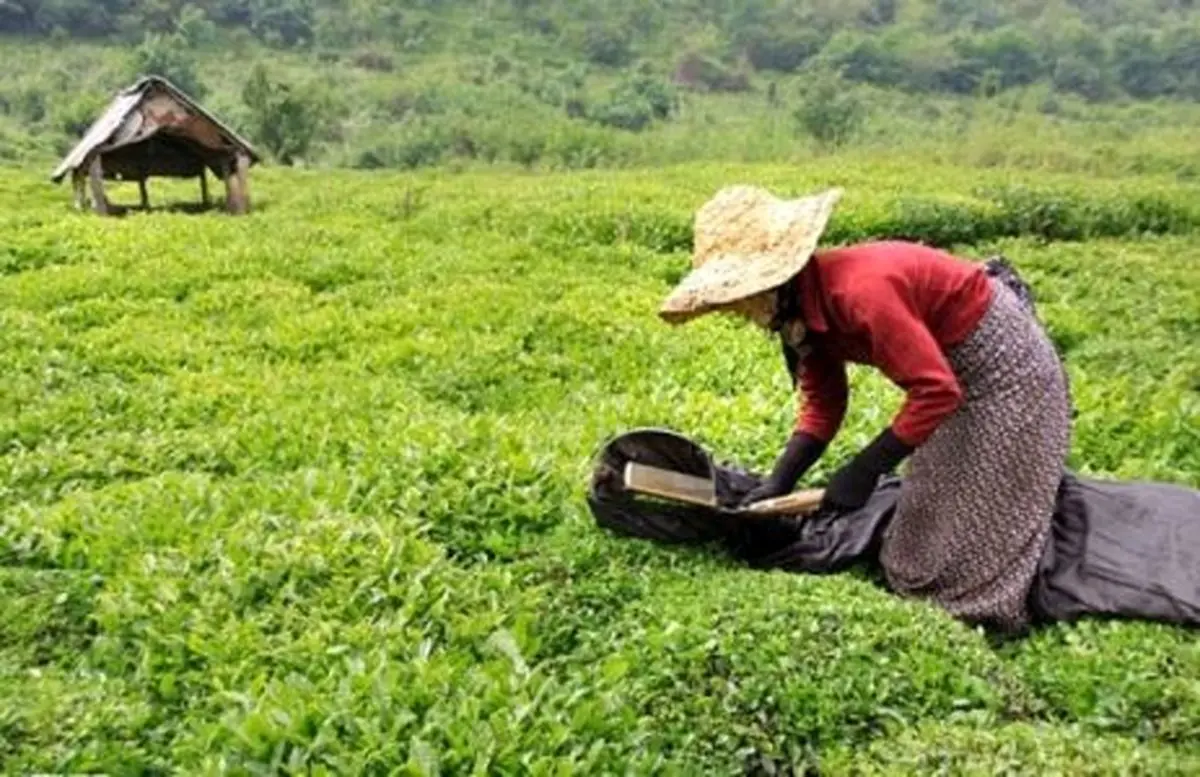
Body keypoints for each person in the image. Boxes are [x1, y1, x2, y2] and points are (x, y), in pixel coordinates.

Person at [658, 185, 1072, 633]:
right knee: (918, 538)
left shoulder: (860, 293)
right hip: (949, 370)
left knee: (968, 548)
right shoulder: (799, 310)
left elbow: (934, 391)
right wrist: (781, 479)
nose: (736, 312)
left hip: (1006, 368)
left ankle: (989, 608)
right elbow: (824, 403)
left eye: (738, 300)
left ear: (771, 283)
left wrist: (864, 469)